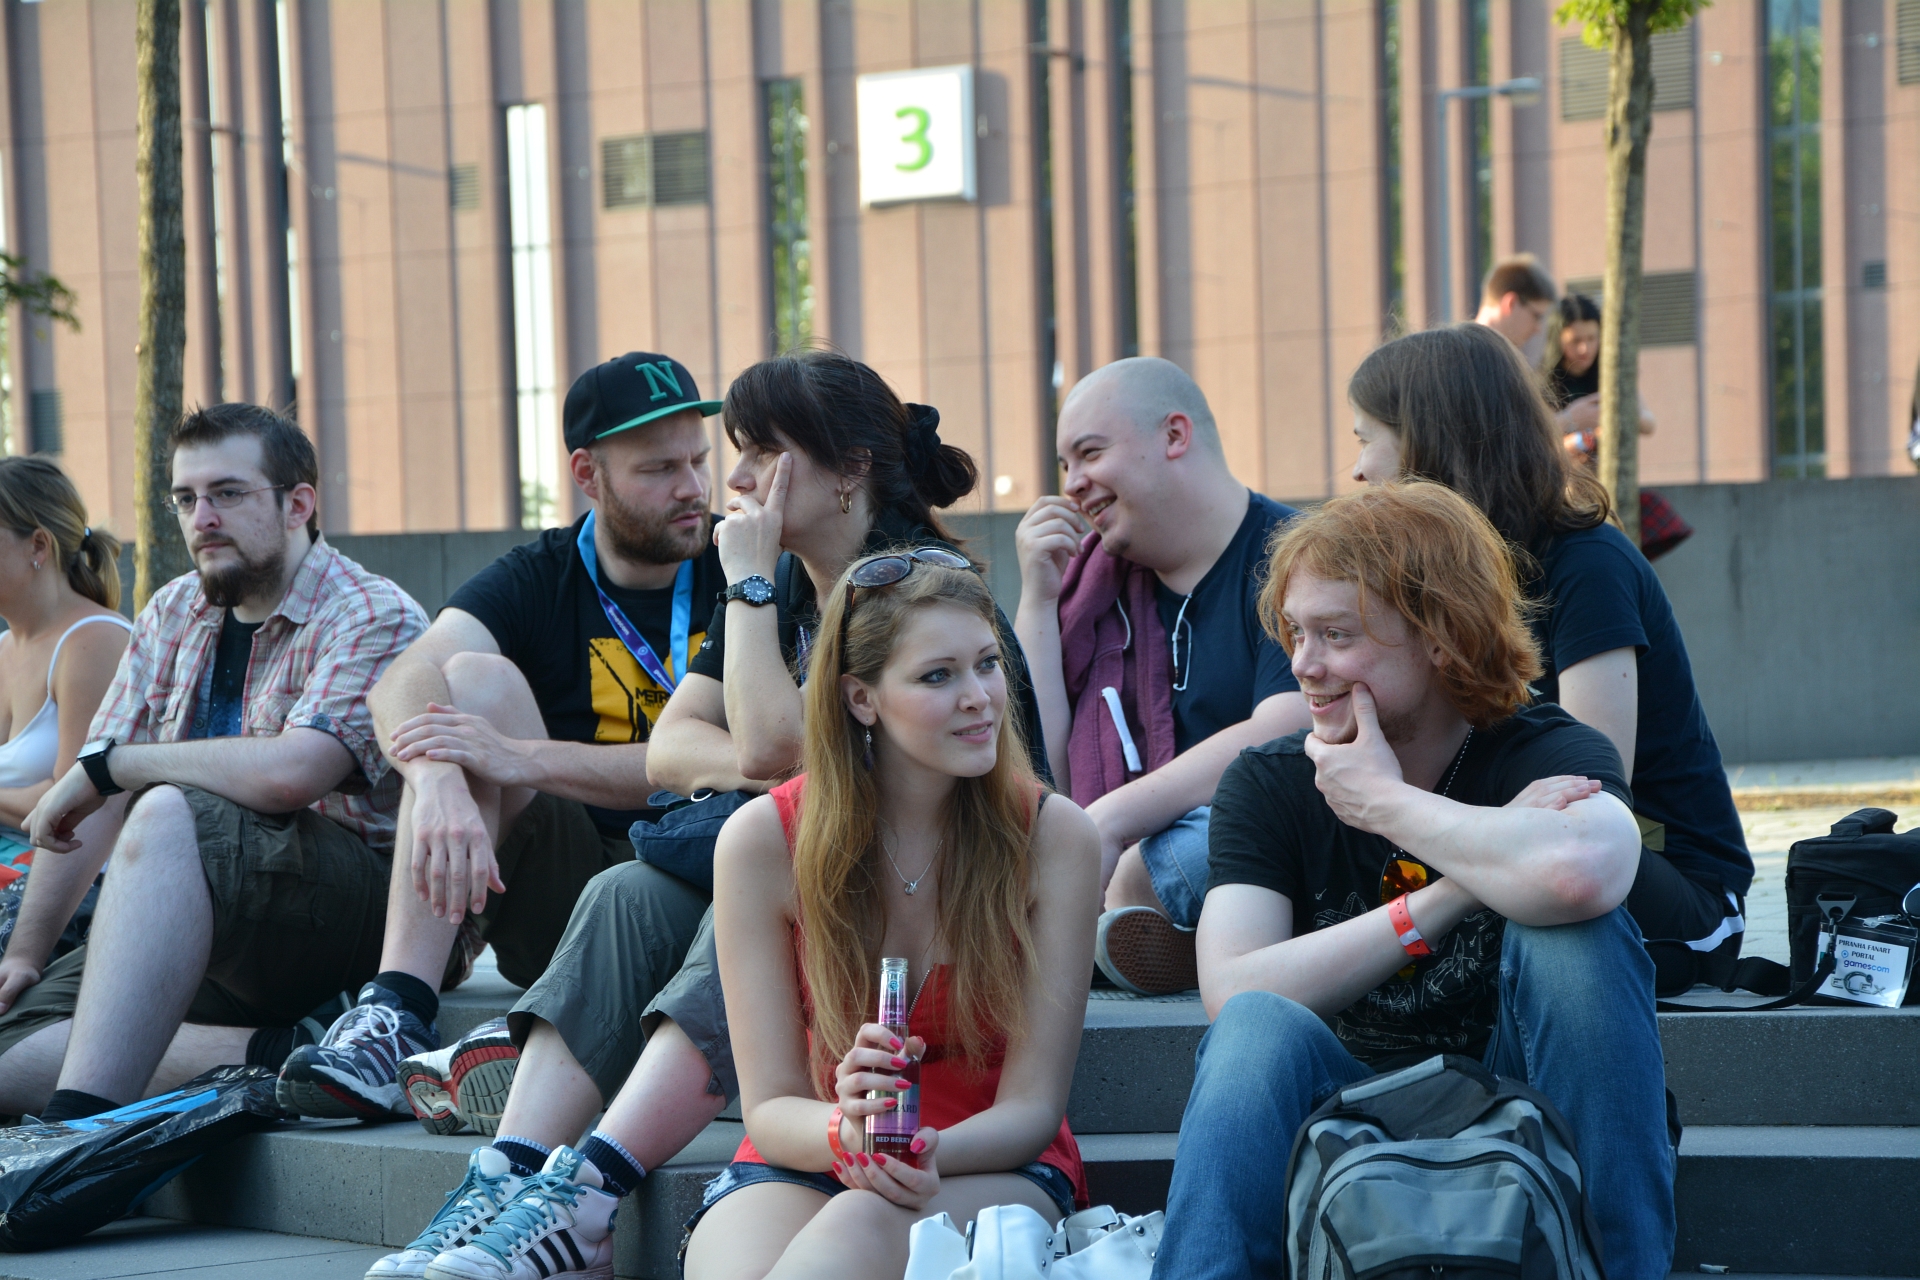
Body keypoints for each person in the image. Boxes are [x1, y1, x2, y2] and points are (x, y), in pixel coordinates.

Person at [367, 351, 1049, 1280]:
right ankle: (508, 1177)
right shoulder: (791, 577)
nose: (735, 480)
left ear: (848, 469)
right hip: (826, 861)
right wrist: (785, 762)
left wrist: (752, 601)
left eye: (763, 452)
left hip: (938, 892)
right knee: (627, 893)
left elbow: (767, 746)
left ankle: (591, 1192)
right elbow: (675, 746)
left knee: (753, 875)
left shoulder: (908, 584)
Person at [1156, 481, 1673, 1280]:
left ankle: (1622, 1266)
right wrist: (1452, 893)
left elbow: (1583, 874)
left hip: (1516, 1094)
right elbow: (1232, 988)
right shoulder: (1270, 780)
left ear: (1440, 637)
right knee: (1257, 1026)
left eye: (1335, 634)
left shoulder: (1542, 750)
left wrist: (1386, 804)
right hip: (1343, 1104)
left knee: (1579, 941)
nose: (1303, 665)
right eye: (1295, 632)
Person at [274, 351, 728, 1125]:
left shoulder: (745, 568)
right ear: (588, 475)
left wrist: (518, 757)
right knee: (472, 683)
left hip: (707, 880)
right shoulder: (542, 574)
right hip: (569, 884)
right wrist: (436, 782)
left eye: (698, 460)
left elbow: (725, 761)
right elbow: (399, 680)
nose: (692, 487)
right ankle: (397, 1012)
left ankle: (535, 1048)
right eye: (659, 469)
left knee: (480, 724)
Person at [669, 551, 1096, 1280]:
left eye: (988, 665)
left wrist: (917, 1150)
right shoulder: (762, 842)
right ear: (861, 698)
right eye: (938, 676)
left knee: (858, 1224)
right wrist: (848, 1128)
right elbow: (770, 1107)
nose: (980, 698)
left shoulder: (1055, 837)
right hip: (817, 1147)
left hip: (988, 1158)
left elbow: (1031, 1109)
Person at [0, 403, 426, 1122]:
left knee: (169, 807)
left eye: (228, 493)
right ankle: (290, 1052)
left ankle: (77, 1135)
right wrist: (26, 953)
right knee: (7, 1055)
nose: (203, 518)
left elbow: (292, 775)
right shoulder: (173, 611)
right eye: (186, 498)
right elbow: (93, 802)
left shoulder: (369, 613)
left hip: (349, 913)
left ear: (298, 505)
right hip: (202, 911)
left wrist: (119, 769)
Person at [1351, 323, 1752, 994]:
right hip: (1524, 847)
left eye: (1366, 440)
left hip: (1669, 883)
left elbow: (1592, 791)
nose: (1357, 471)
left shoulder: (1586, 564)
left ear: (1428, 442)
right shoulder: (1441, 578)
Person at [1014, 356, 1309, 995]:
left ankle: (1153, 926)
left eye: (1090, 453)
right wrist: (1038, 601)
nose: (1073, 485)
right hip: (1131, 848)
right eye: (1065, 465)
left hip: (1272, 829)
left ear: (1174, 435)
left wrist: (1112, 820)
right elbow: (1043, 771)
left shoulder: (1297, 555)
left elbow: (1290, 724)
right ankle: (1150, 934)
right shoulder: (1093, 588)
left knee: (1149, 868)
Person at [0, 458, 132, 967]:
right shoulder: (5, 648)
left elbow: (73, 800)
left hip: (70, 889)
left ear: (38, 546)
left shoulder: (94, 643)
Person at [1539, 294, 1689, 560]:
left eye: (1592, 338)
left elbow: (1648, 423)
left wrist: (1613, 417)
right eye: (1575, 341)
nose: (1585, 348)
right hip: (1567, 493)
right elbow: (1537, 440)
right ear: (1558, 340)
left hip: (1610, 485)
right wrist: (1572, 420)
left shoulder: (1611, 374)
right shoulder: (1543, 383)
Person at [1472, 252, 1558, 349]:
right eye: (1536, 316)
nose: (1538, 329)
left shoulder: (1465, 350)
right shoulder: (1468, 354)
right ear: (1511, 303)